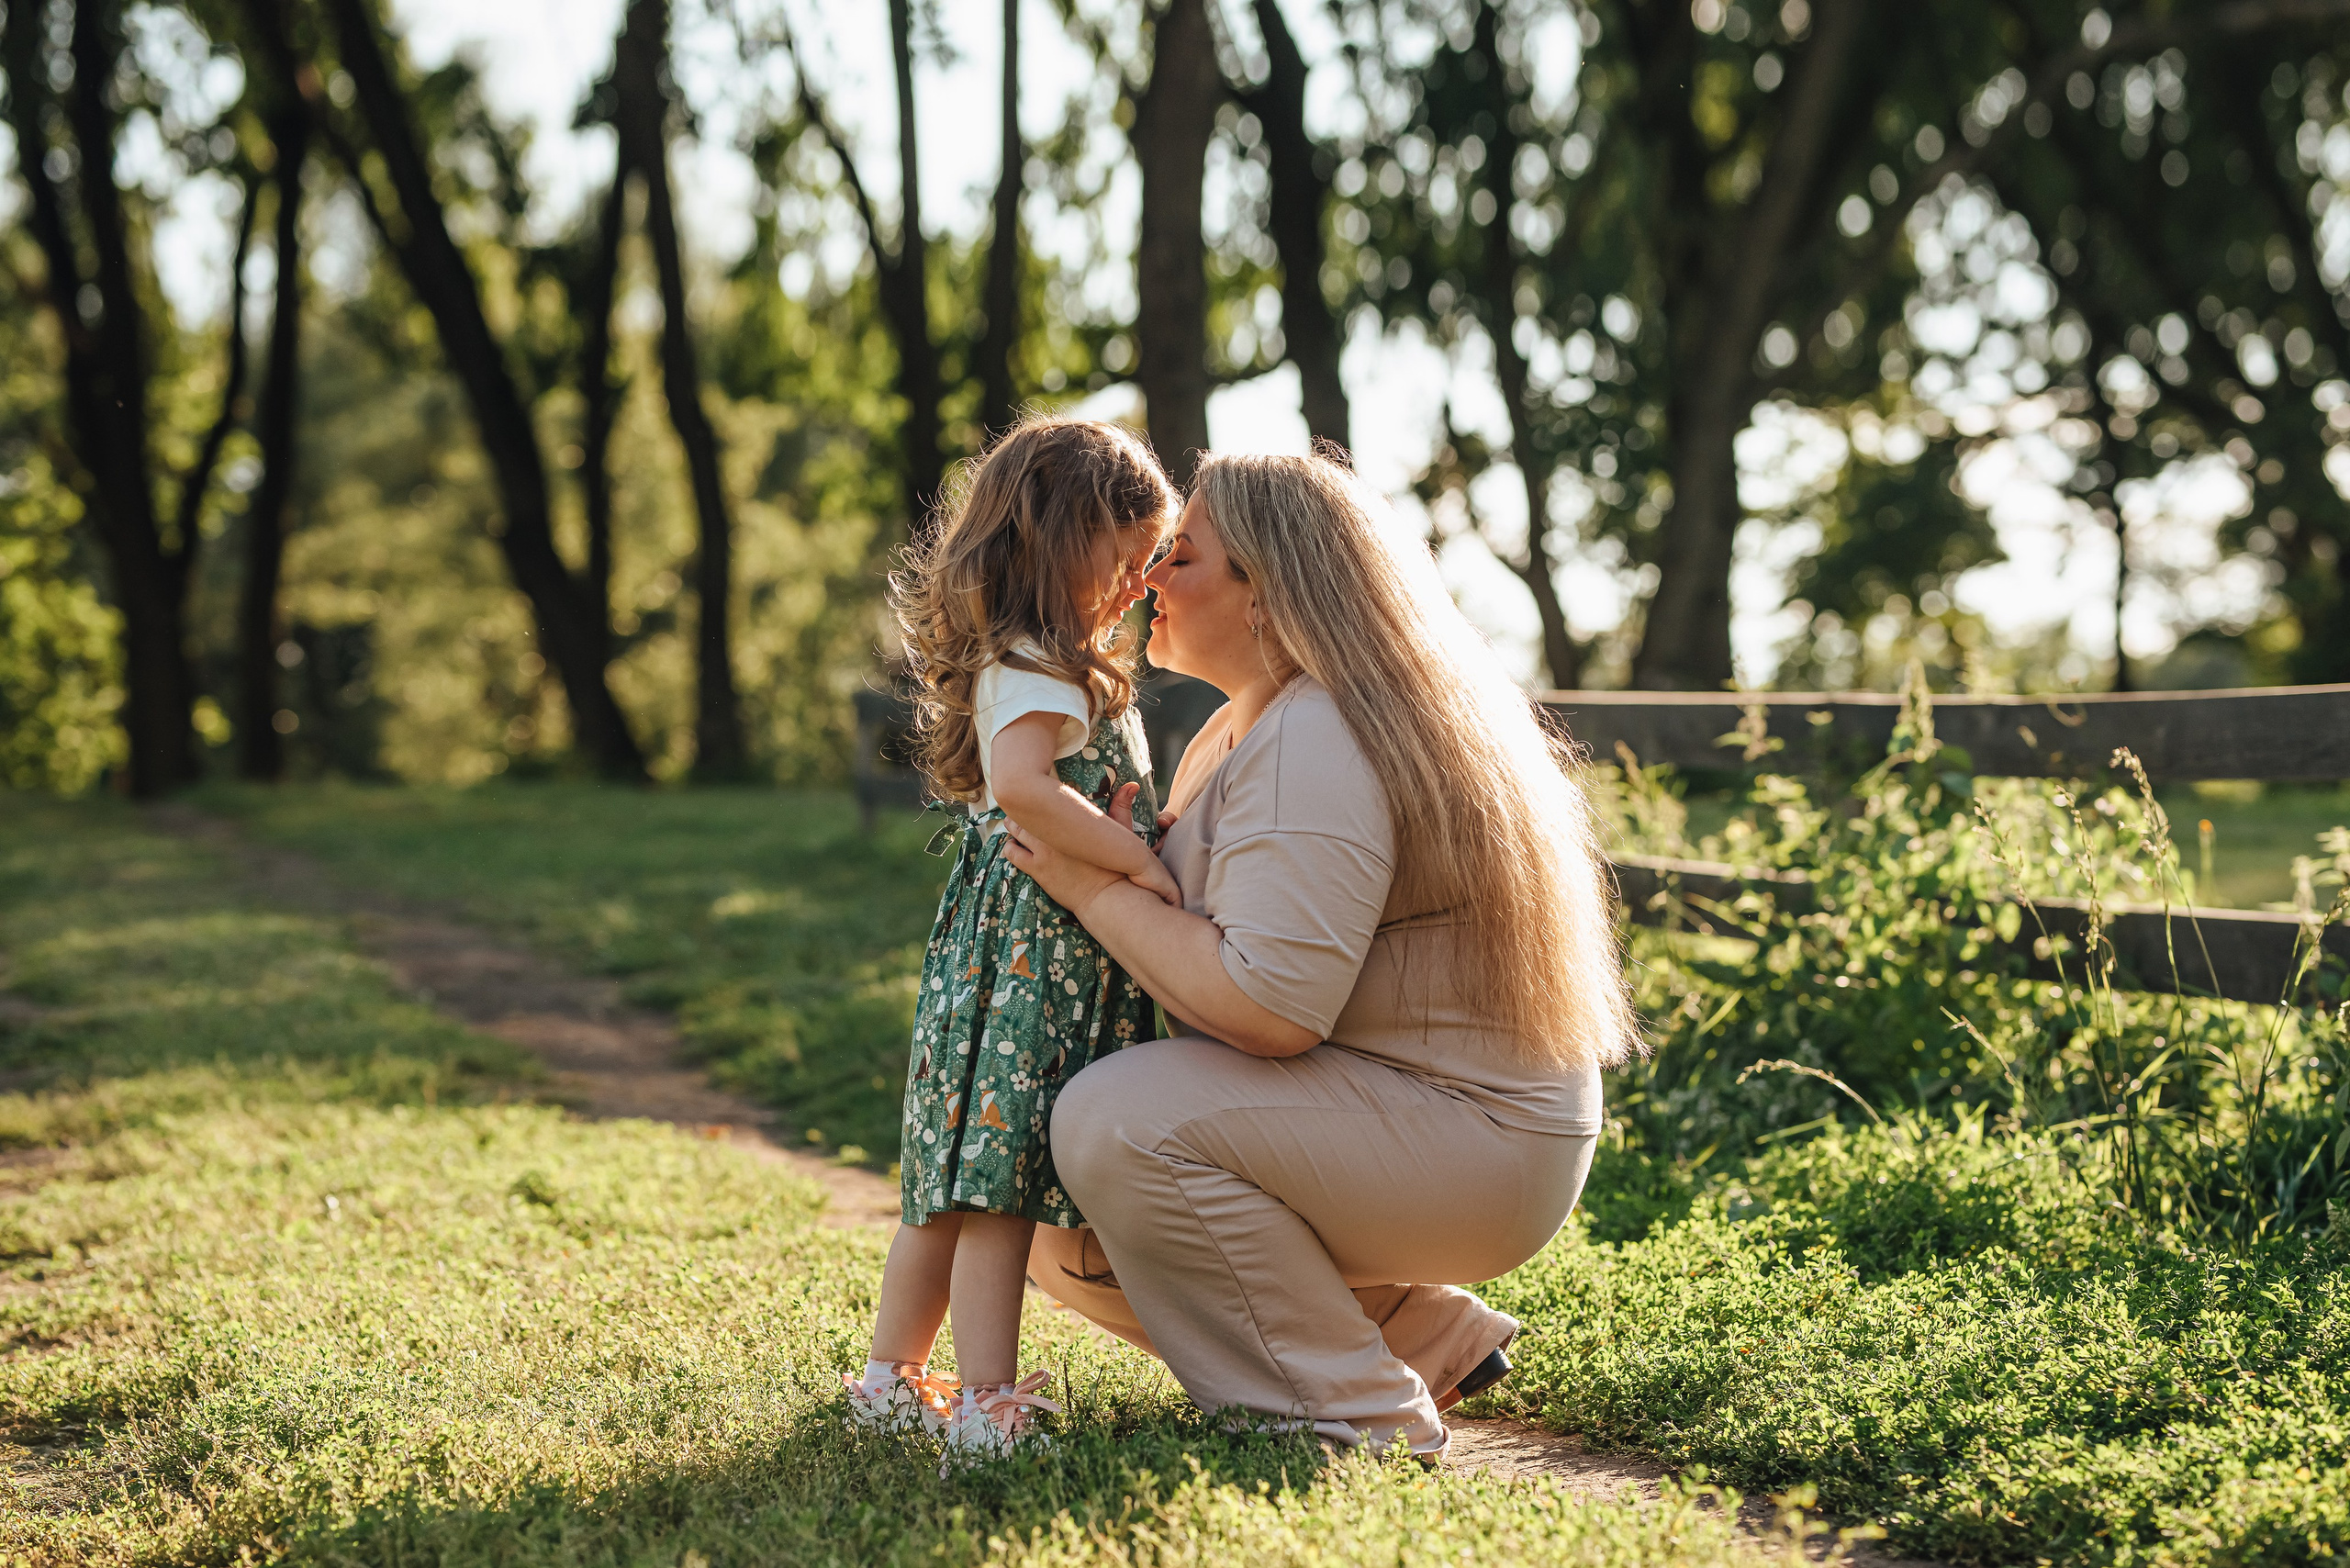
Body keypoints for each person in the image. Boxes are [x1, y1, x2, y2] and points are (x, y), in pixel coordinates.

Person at [1005, 450, 1634, 1460]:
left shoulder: (1318, 730)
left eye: (1183, 555)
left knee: (1114, 1123)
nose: (1150, 578)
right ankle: (1417, 1334)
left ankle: (1348, 1410)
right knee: (1051, 1215)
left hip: (1473, 1139)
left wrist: (1083, 884)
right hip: (1392, 1112)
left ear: (1267, 591)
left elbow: (1266, 1007)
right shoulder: (1241, 728)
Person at [843, 417, 1179, 1466]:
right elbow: (1029, 790)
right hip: (1031, 950)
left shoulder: (1032, 654)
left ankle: (889, 1383)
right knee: (999, 1184)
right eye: (1122, 557)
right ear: (1054, 537)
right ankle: (988, 1406)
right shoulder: (1036, 659)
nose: (1135, 582)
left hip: (1003, 950)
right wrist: (1137, 863)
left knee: (953, 1179)